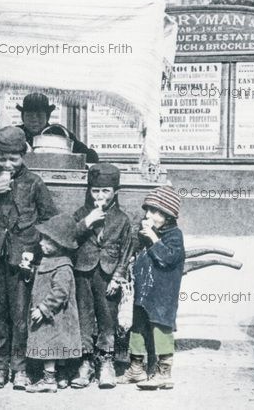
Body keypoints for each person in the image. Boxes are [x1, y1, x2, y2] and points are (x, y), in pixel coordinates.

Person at [0, 126, 57, 390]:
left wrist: (36, 246)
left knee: (21, 314)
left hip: (22, 257)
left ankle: (20, 368)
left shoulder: (34, 182)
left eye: (13, 159)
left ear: (23, 155)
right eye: (2, 159)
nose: (7, 164)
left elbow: (48, 218)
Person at [70, 163, 132, 389]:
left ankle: (106, 362)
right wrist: (88, 221)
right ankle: (85, 362)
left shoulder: (122, 219)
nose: (100, 195)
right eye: (95, 190)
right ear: (89, 191)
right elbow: (71, 239)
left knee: (107, 317)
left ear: (115, 192)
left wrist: (117, 277)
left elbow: (126, 251)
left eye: (105, 191)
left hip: (107, 275)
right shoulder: (81, 214)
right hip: (83, 272)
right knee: (84, 317)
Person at [119, 185, 184, 390]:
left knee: (161, 328)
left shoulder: (174, 235)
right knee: (137, 328)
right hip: (143, 291)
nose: (149, 215)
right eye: (147, 210)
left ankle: (164, 373)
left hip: (162, 295)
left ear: (168, 216)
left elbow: (168, 258)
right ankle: (136, 369)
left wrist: (154, 239)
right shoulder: (145, 233)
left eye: (155, 212)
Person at [24, 213, 82, 393]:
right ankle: (60, 378)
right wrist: (29, 270)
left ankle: (49, 381)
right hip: (54, 317)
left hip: (54, 317)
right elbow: (43, 279)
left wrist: (43, 309)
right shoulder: (50, 261)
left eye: (47, 240)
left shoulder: (63, 267)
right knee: (57, 347)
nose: (41, 243)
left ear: (60, 245)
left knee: (49, 346)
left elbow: (60, 292)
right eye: (42, 238)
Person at [16, 92, 99, 163]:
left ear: (47, 116)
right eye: (29, 115)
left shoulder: (59, 132)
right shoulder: (14, 133)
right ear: (23, 117)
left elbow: (91, 156)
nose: (34, 119)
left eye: (39, 115)